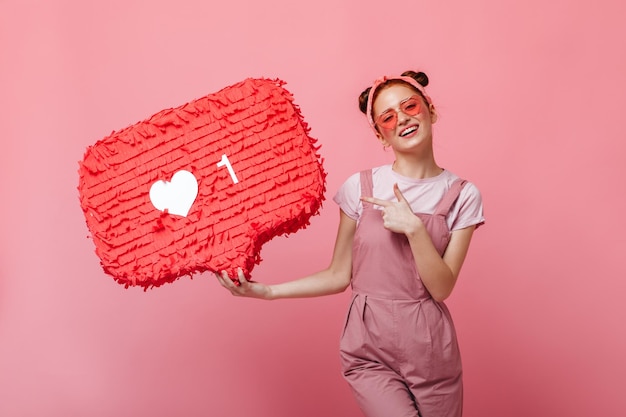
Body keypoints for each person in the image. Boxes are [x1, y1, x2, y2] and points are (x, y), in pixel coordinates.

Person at [216, 70, 485, 417]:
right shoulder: (360, 187)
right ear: (380, 135)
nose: (402, 118)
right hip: (369, 346)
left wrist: (416, 230)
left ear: (429, 110)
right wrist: (267, 292)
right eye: (388, 116)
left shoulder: (463, 195)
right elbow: (339, 274)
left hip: (430, 348)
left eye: (410, 106)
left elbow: (442, 288)